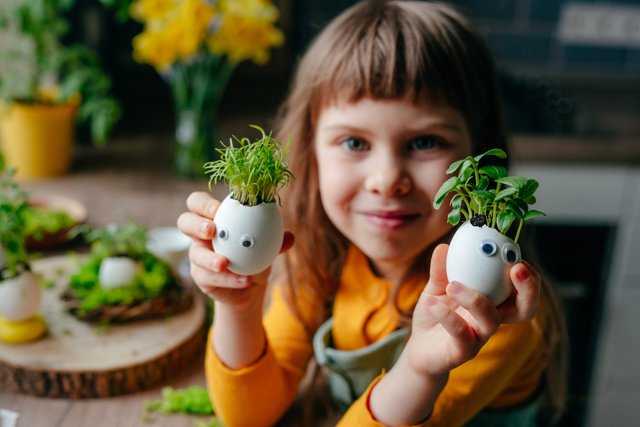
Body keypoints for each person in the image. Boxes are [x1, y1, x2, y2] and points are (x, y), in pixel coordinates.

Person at [177, 1, 566, 426]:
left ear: (477, 157)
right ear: (311, 153)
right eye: (354, 143)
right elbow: (250, 416)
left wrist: (421, 370)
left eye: (424, 142)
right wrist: (239, 308)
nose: (386, 179)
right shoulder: (323, 259)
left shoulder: (492, 309)